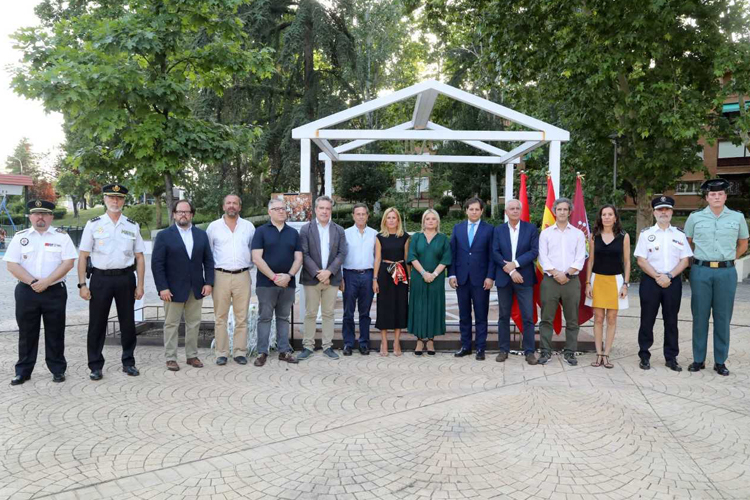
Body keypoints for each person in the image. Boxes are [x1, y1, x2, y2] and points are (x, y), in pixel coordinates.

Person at [4, 200, 77, 385]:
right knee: (27, 333)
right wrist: (33, 282)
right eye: (36, 214)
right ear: (30, 216)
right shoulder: (20, 237)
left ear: (51, 217)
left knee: (55, 331)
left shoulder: (62, 237)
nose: (40, 217)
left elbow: (68, 262)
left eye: (44, 214)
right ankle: (23, 371)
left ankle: (58, 370)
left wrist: (47, 282)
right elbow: (11, 264)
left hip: (54, 291)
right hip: (26, 291)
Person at [78, 184, 145, 380]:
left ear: (124, 200)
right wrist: (82, 285)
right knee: (97, 323)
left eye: (119, 198)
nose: (115, 201)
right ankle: (95, 365)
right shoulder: (93, 224)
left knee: (128, 323)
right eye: (111, 197)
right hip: (100, 278)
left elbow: (139, 257)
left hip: (125, 278)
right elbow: (83, 256)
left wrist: (140, 285)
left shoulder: (132, 225)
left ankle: (128, 362)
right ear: (104, 199)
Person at [684, 179, 749, 376]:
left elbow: (743, 243)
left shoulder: (737, 218)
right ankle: (698, 359)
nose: (716, 197)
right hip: (701, 271)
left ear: (725, 196)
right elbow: (687, 244)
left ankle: (720, 361)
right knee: (700, 316)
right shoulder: (695, 218)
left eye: (720, 194)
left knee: (722, 317)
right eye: (712, 194)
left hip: (726, 272)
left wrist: (729, 259)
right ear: (707, 197)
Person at [151, 200, 214, 371]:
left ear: (192, 214)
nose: (183, 215)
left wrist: (209, 282)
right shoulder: (164, 235)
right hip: (171, 289)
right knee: (171, 324)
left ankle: (192, 356)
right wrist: (162, 287)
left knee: (194, 323)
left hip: (196, 288)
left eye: (186, 212)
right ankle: (170, 358)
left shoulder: (201, 235)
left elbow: (208, 261)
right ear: (174, 214)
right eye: (180, 212)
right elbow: (157, 264)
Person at [634, 196, 691, 372]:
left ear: (672, 212)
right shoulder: (646, 234)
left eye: (666, 209)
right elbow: (641, 260)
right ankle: (644, 355)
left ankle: (671, 357)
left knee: (671, 320)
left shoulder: (679, 235)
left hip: (672, 282)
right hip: (651, 282)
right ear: (654, 212)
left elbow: (685, 260)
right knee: (647, 320)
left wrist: (669, 276)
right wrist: (658, 276)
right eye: (660, 209)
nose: (663, 212)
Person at [251, 198, 301, 366]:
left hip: (288, 284)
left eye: (283, 209)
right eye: (277, 209)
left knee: (283, 318)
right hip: (266, 284)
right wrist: (274, 277)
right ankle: (262, 352)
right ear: (269, 212)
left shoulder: (293, 233)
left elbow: (298, 258)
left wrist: (289, 276)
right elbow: (256, 258)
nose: (281, 211)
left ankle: (283, 351)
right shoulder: (261, 231)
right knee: (264, 317)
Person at [206, 194, 255, 366]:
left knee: (242, 317)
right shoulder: (213, 227)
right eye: (228, 203)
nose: (232, 206)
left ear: (240, 207)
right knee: (221, 317)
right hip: (220, 276)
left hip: (242, 275)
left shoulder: (248, 227)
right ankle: (221, 353)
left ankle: (240, 352)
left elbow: (253, 252)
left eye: (235, 203)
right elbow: (208, 254)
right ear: (223, 206)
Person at [297, 196, 348, 361]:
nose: (325, 211)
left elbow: (342, 253)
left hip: (332, 279)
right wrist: (319, 273)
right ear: (316, 210)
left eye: (328, 208)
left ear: (330, 211)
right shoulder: (306, 229)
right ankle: (307, 346)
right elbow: (303, 254)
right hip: (312, 278)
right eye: (322, 208)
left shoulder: (339, 230)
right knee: (310, 313)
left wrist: (329, 272)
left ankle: (328, 346)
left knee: (328, 313)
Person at [537, 197, 586, 366]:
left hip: (571, 281)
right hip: (550, 281)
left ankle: (570, 352)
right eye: (559, 209)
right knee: (546, 319)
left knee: (572, 320)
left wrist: (566, 274)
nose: (562, 212)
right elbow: (543, 258)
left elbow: (580, 258)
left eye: (565, 209)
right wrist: (556, 274)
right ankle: (545, 351)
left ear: (570, 212)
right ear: (554, 212)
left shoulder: (578, 234)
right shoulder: (546, 233)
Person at [492, 199, 539, 365]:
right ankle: (503, 350)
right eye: (511, 208)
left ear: (521, 210)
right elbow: (495, 252)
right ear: (506, 212)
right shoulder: (498, 230)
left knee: (528, 316)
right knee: (503, 316)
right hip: (505, 278)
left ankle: (529, 351)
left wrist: (516, 264)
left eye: (518, 208)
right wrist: (511, 270)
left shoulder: (531, 228)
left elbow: (534, 251)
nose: (515, 211)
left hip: (524, 277)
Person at [448, 197, 495, 360]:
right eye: (471, 209)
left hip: (481, 280)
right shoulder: (457, 228)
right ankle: (466, 346)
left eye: (477, 209)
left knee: (481, 315)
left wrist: (490, 276)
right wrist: (452, 274)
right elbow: (452, 253)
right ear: (466, 210)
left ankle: (480, 348)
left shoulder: (489, 229)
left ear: (482, 211)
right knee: (464, 315)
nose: (474, 212)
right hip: (461, 279)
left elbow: (492, 256)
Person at [584, 204, 631, 369]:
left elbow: (627, 261)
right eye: (604, 214)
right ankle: (598, 353)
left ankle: (606, 354)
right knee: (598, 318)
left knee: (611, 319)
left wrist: (625, 284)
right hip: (598, 280)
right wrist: (588, 283)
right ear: (600, 217)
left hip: (615, 281)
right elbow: (590, 261)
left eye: (610, 214)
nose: (607, 217)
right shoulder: (594, 236)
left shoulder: (623, 236)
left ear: (615, 217)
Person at [408, 209, 452, 355]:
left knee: (434, 306)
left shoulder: (443, 238)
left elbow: (445, 259)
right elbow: (412, 256)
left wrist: (433, 274)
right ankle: (420, 340)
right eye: (428, 219)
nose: (431, 221)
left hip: (436, 278)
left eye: (434, 219)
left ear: (437, 221)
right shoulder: (416, 238)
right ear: (423, 221)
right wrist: (423, 273)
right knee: (419, 306)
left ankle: (431, 340)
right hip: (419, 278)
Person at [341, 203, 377, 355]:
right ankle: (348, 343)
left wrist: (375, 278)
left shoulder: (375, 234)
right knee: (348, 312)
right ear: (353, 216)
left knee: (365, 312)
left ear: (368, 215)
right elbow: (341, 256)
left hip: (368, 275)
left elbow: (377, 258)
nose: (361, 216)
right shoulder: (345, 233)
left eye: (363, 214)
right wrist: (341, 277)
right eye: (358, 214)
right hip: (349, 275)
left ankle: (364, 343)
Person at [373, 207, 410, 356]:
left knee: (400, 307)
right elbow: (377, 259)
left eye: (394, 218)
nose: (391, 220)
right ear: (384, 220)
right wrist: (374, 279)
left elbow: (407, 259)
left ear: (398, 220)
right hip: (384, 273)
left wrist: (410, 278)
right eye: (389, 218)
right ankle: (384, 342)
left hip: (400, 274)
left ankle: (396, 342)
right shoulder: (379, 237)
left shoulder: (405, 237)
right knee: (384, 307)